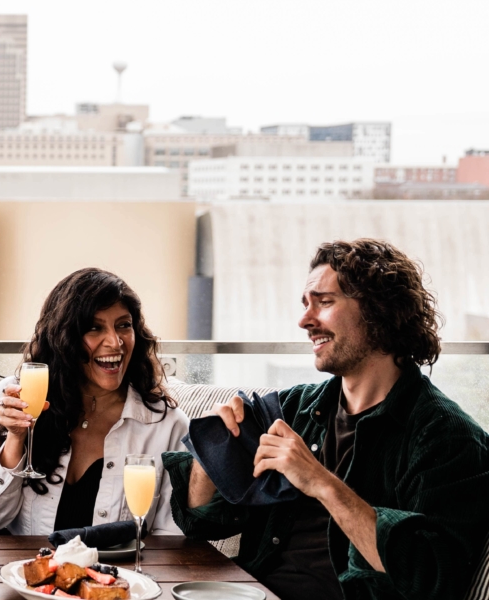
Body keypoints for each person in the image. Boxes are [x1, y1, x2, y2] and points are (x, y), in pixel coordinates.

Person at [165, 239, 489, 600]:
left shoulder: (447, 438)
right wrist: (211, 453)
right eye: (306, 304)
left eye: (325, 302)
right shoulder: (292, 410)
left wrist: (321, 482)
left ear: (379, 309)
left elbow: (431, 576)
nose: (304, 320)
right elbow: (200, 521)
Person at [0, 268, 187, 535]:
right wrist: (15, 440)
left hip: (116, 576)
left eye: (124, 325)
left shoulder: (167, 426)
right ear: (64, 337)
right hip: (25, 574)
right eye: (94, 328)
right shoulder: (11, 400)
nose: (115, 342)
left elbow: (171, 538)